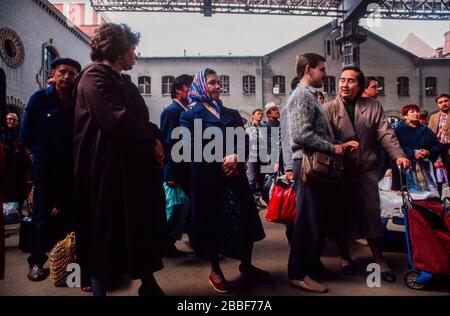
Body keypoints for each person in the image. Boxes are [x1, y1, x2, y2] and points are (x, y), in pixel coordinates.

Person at [73, 23, 166, 296]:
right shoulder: (93, 77)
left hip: (129, 169)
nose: (135, 56)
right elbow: (118, 121)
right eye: (132, 50)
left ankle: (148, 284)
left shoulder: (121, 80)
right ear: (118, 50)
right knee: (105, 233)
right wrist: (151, 143)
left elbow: (140, 119)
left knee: (138, 228)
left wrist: (156, 139)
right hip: (106, 172)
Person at [180, 68, 269, 294]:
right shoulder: (190, 115)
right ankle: (215, 271)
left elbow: (244, 140)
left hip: (235, 178)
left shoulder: (231, 113)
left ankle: (246, 265)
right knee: (213, 225)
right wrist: (222, 161)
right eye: (212, 83)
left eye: (219, 83)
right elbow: (188, 148)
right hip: (209, 180)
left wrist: (236, 157)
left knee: (246, 221)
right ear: (200, 85)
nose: (218, 86)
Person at [323, 66, 410, 283]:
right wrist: (341, 145)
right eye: (342, 80)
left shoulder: (373, 106)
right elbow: (323, 138)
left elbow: (386, 133)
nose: (345, 84)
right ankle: (345, 257)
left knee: (371, 214)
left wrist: (398, 155)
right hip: (340, 171)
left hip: (366, 169)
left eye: (351, 81)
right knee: (341, 214)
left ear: (360, 86)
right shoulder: (329, 108)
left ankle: (379, 260)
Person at [286, 53, 357, 293]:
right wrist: (334, 147)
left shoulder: (311, 97)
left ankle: (312, 266)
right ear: (309, 69)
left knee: (318, 221)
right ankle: (297, 273)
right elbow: (301, 135)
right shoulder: (302, 97)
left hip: (313, 165)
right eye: (322, 69)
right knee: (307, 221)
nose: (325, 74)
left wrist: (340, 144)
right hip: (307, 165)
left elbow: (317, 134)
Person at [20, 57, 81, 282]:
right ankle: (36, 261)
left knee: (69, 215)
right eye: (62, 72)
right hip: (44, 168)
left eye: (72, 73)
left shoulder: (78, 101)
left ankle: (67, 262)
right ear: (53, 73)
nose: (66, 77)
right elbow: (25, 134)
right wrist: (34, 159)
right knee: (41, 215)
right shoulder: (39, 98)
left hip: (70, 168)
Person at [160, 74, 193, 257]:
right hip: (176, 170)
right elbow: (168, 142)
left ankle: (171, 244)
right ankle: (166, 245)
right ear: (179, 89)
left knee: (184, 209)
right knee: (175, 209)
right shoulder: (172, 111)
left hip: (186, 168)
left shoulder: (186, 110)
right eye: (188, 86)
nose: (191, 90)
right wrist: (170, 173)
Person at [392, 104, 441, 190]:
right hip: (406, 167)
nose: (416, 113)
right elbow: (396, 146)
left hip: (425, 167)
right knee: (408, 194)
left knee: (428, 195)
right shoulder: (398, 130)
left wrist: (428, 152)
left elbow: (437, 144)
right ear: (405, 116)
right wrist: (412, 153)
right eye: (412, 112)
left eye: (417, 111)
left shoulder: (426, 129)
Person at [0, 113, 29, 213]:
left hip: (19, 166)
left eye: (13, 119)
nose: (11, 121)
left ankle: (18, 209)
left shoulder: (20, 133)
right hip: (7, 166)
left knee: (19, 188)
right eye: (8, 119)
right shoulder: (3, 133)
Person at [244, 108, 265, 208]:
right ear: (253, 116)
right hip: (252, 155)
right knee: (252, 179)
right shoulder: (248, 126)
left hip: (262, 156)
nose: (260, 116)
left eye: (261, 114)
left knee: (261, 179)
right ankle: (250, 200)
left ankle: (257, 199)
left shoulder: (264, 126)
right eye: (258, 114)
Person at [428, 93, 450, 175]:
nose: (443, 104)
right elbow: (429, 132)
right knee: (436, 172)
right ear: (437, 104)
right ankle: (439, 187)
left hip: (448, 147)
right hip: (436, 148)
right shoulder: (433, 117)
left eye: (446, 101)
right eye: (440, 102)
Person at [263, 102, 283, 173]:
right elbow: (270, 145)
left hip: (284, 159)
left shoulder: (282, 125)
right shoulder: (265, 127)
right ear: (268, 114)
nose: (277, 111)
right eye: (274, 110)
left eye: (277, 109)